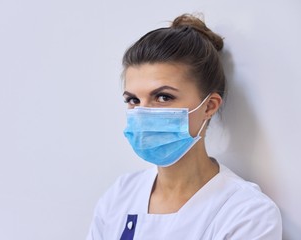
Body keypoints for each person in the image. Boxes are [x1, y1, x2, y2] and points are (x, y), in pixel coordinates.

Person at [87, 14, 282, 239]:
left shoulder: (246, 213)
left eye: (163, 97)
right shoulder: (120, 196)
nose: (142, 113)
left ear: (209, 106)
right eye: (133, 100)